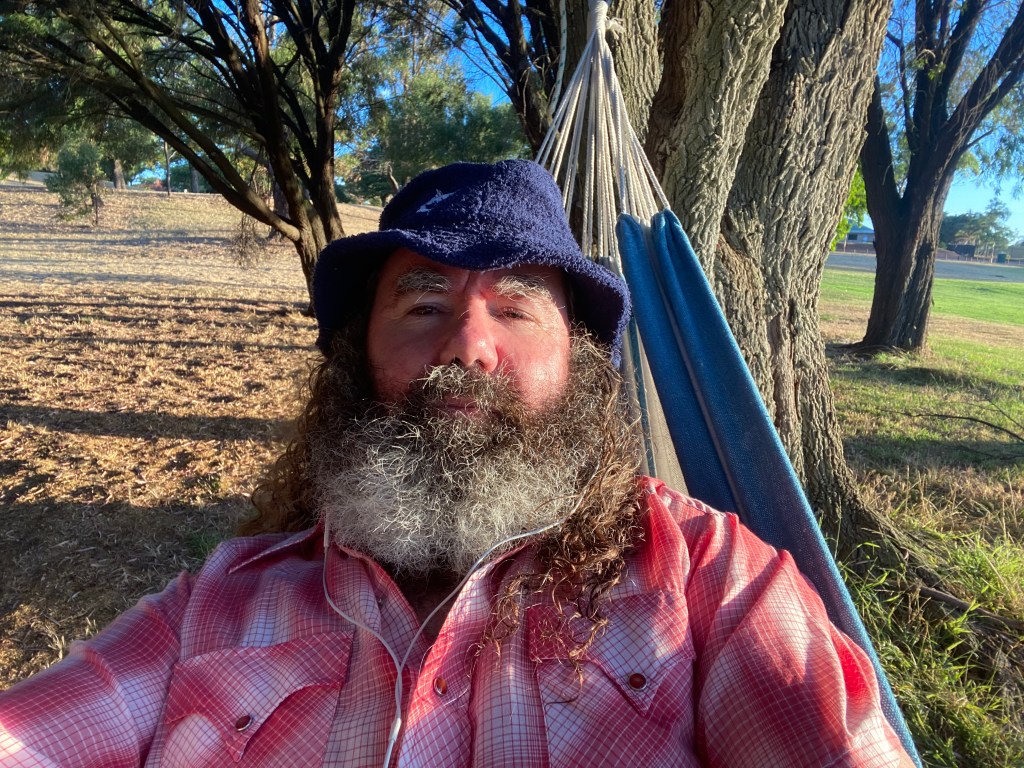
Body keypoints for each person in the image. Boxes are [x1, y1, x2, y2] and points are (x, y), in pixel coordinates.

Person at [0, 160, 913, 767]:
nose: (468, 346)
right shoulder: (217, 604)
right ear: (357, 356)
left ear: (582, 364)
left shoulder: (711, 580)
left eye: (515, 309)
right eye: (423, 306)